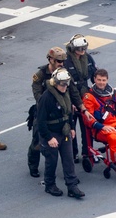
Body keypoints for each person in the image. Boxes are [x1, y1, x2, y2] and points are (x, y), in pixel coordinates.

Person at [27, 46, 81, 177]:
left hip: (62, 111)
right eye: (58, 61)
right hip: (44, 111)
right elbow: (38, 95)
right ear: (50, 59)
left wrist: (78, 105)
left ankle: (70, 162)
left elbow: (72, 90)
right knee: (37, 141)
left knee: (68, 137)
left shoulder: (64, 74)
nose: (61, 64)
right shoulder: (40, 75)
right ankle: (33, 165)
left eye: (62, 62)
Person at [35, 68, 84, 198]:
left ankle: (72, 186)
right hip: (51, 133)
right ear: (55, 82)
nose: (65, 86)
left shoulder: (65, 93)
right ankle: (50, 185)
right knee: (52, 161)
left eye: (66, 83)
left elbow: (68, 112)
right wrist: (49, 138)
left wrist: (72, 127)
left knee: (69, 160)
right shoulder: (46, 98)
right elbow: (40, 121)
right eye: (62, 84)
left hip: (64, 131)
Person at [63, 34, 96, 162]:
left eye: (84, 48)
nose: (82, 51)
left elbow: (94, 75)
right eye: (79, 49)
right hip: (70, 95)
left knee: (86, 126)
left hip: (85, 95)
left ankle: (87, 152)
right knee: (71, 126)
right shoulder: (66, 61)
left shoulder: (88, 58)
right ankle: (73, 153)